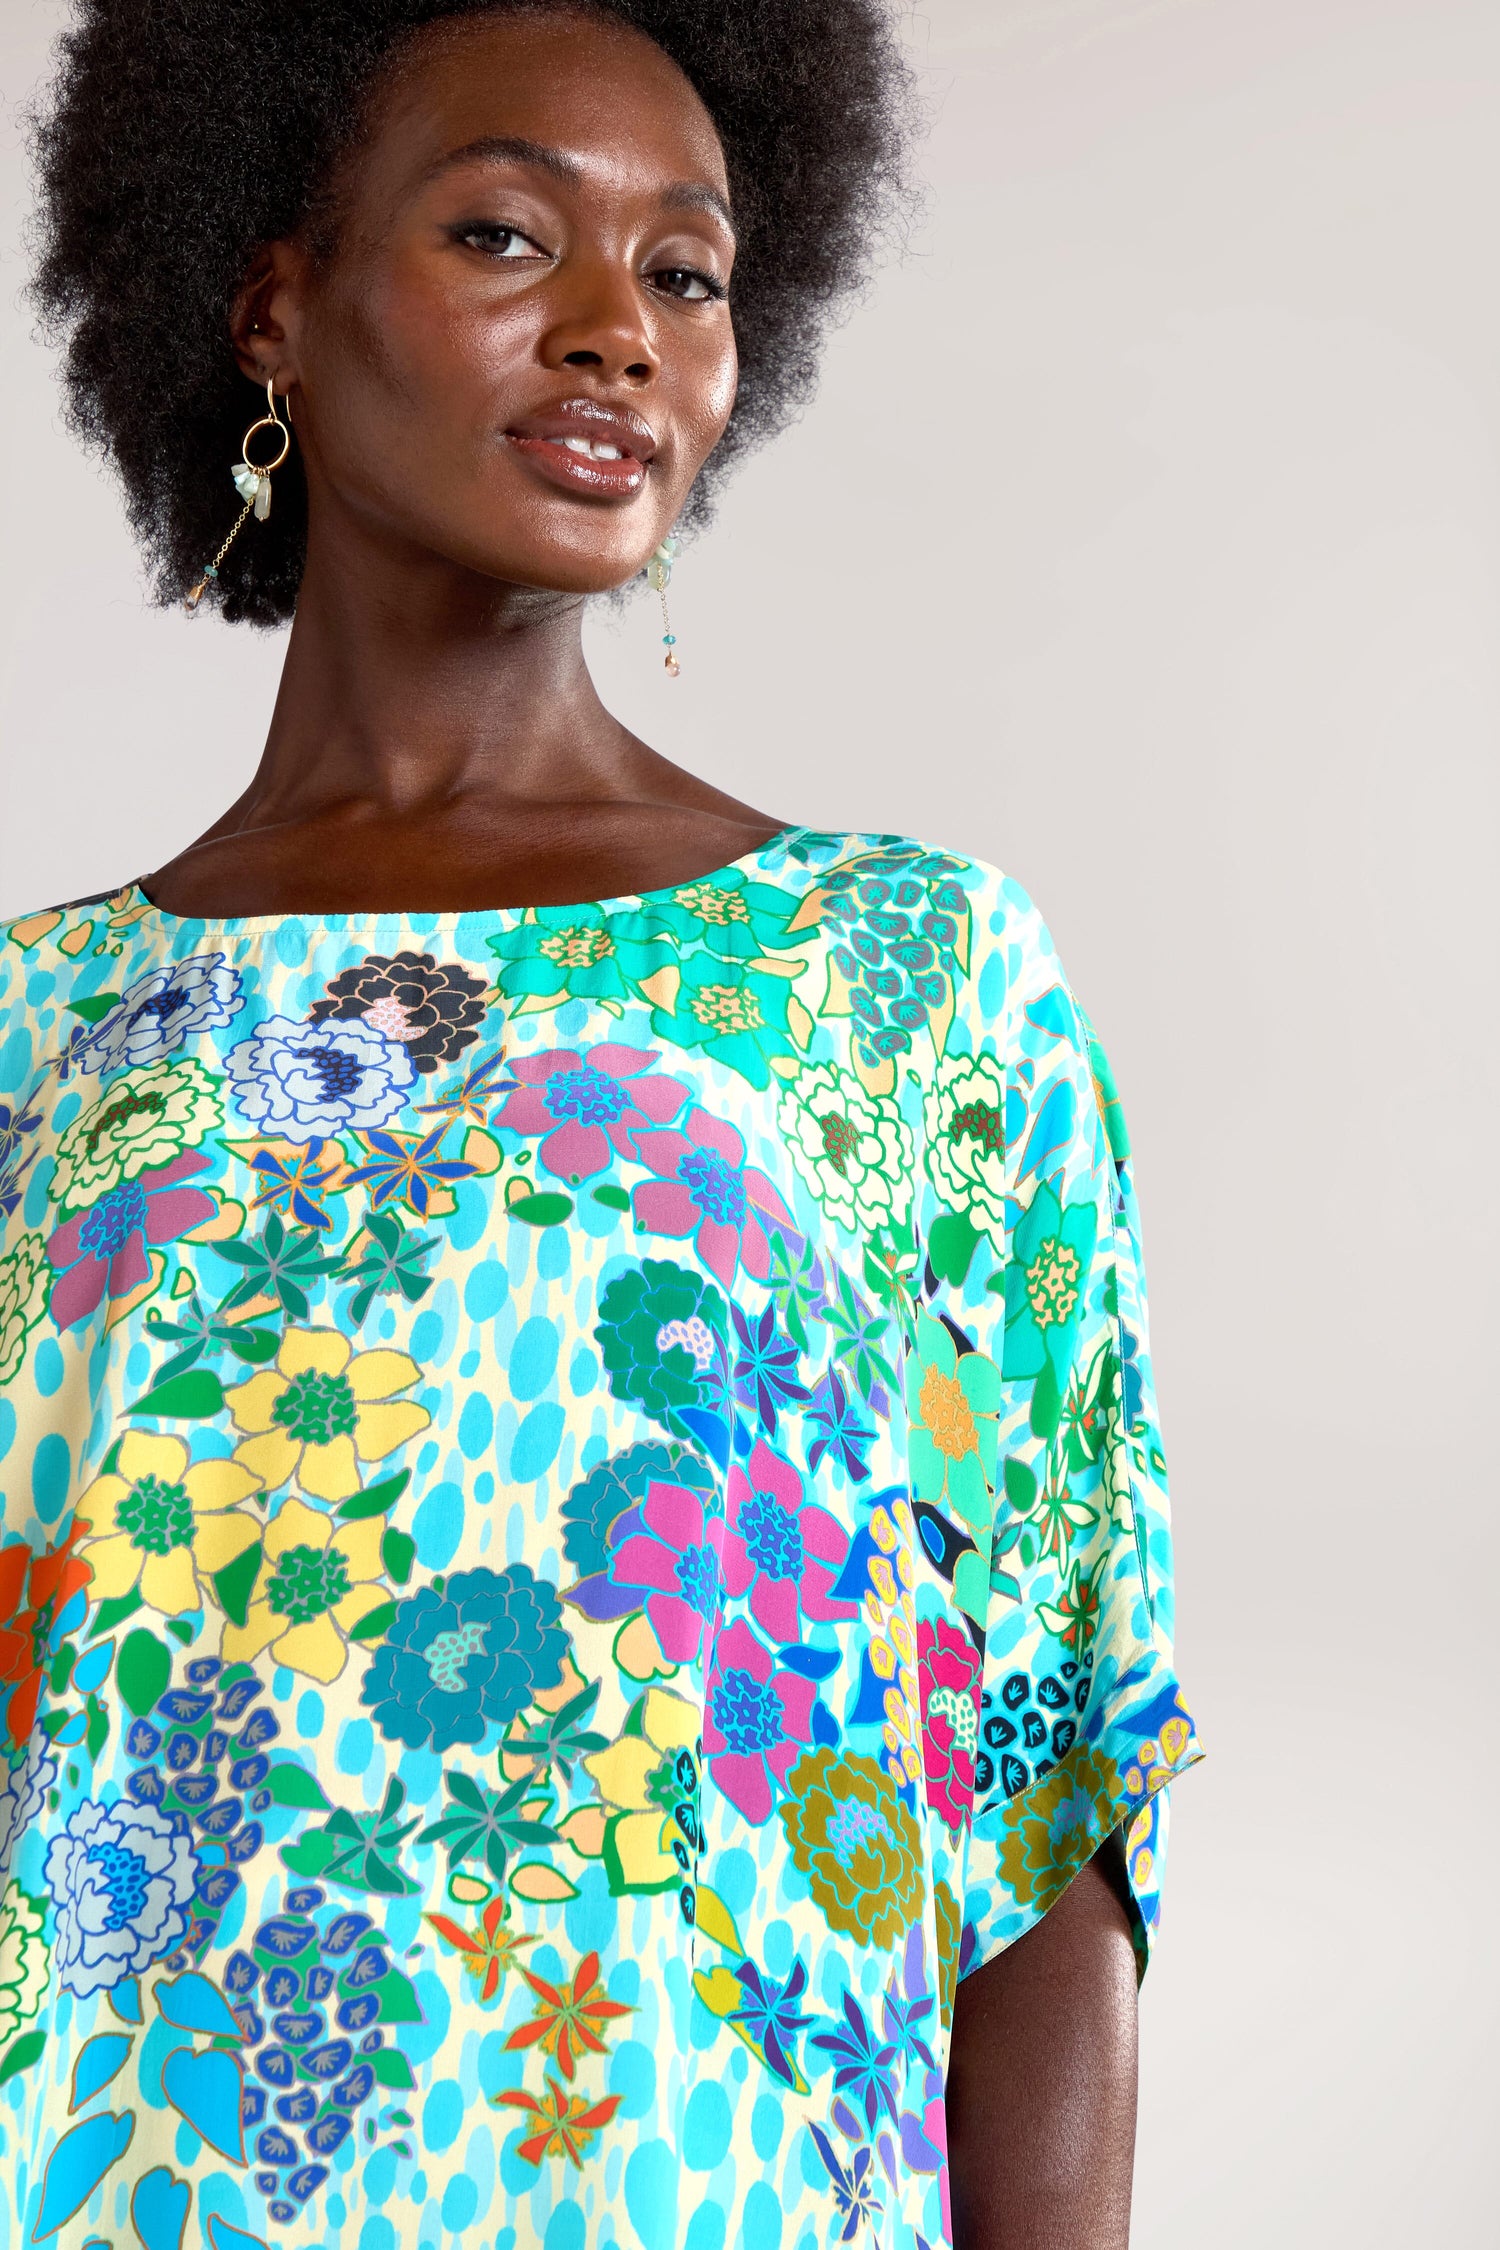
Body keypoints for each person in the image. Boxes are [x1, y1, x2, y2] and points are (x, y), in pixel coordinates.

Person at [0, 5, 1202, 2247]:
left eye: (685, 273)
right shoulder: (33, 1040)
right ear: (272, 298)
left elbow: (1049, 1810)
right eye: (504, 234)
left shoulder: (909, 983)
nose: (614, 338)